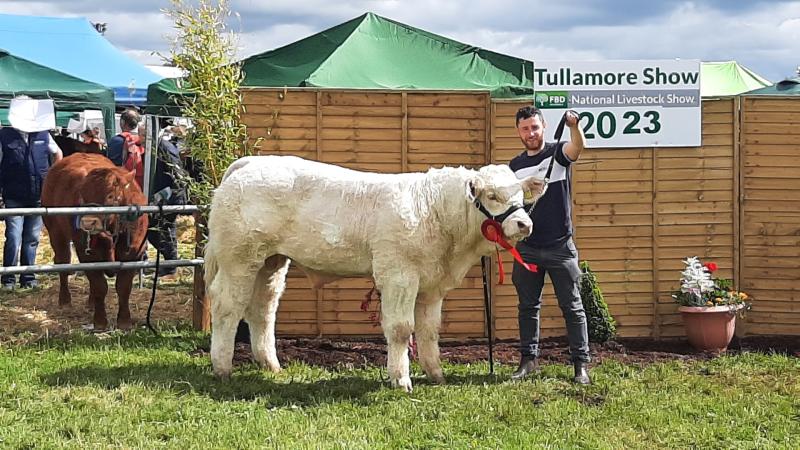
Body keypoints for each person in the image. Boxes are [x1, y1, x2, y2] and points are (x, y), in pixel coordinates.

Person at [508, 106, 591, 384]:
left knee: (573, 307)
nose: (531, 133)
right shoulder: (514, 167)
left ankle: (581, 366)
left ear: (543, 126)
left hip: (560, 246)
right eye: (525, 129)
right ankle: (528, 362)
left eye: (535, 127)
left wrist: (573, 126)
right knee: (528, 307)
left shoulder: (558, 152)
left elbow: (577, 148)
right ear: (518, 132)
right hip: (527, 248)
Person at [0, 124, 63, 289]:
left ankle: (28, 277)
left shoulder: (43, 134)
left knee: (32, 238)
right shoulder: (5, 135)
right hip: (13, 195)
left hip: (38, 195)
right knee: (14, 236)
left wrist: (52, 178)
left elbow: (58, 154)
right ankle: (9, 279)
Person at [147, 125, 189, 278]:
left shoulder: (164, 146)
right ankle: (169, 263)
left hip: (170, 195)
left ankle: (171, 265)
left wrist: (171, 195)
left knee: (163, 228)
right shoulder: (159, 146)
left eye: (142, 132)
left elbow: (177, 172)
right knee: (158, 229)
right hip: (165, 195)